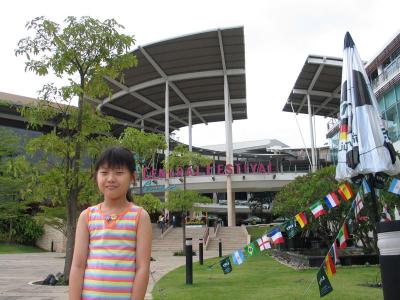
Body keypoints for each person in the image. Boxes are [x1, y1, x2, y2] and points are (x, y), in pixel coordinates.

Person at [69, 147, 152, 300]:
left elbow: (142, 268)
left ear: (133, 177)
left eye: (119, 173)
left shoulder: (140, 217)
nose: (111, 179)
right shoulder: (86, 216)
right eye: (104, 172)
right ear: (96, 176)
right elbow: (78, 266)